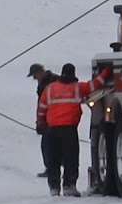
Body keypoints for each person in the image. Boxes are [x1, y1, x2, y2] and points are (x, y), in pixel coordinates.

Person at [37, 62, 112, 196]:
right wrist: (108, 70)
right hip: (69, 130)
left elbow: (42, 108)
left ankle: (54, 188)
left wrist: (40, 123)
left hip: (52, 130)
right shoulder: (78, 88)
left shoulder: (50, 88)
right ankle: (69, 186)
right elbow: (96, 84)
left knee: (53, 160)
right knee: (70, 159)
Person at [28, 63, 58, 177]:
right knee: (46, 146)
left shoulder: (54, 80)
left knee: (54, 146)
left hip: (55, 118)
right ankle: (50, 168)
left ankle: (56, 169)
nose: (34, 78)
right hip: (46, 119)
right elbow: (41, 104)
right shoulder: (42, 84)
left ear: (40, 72)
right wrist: (40, 121)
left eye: (35, 75)